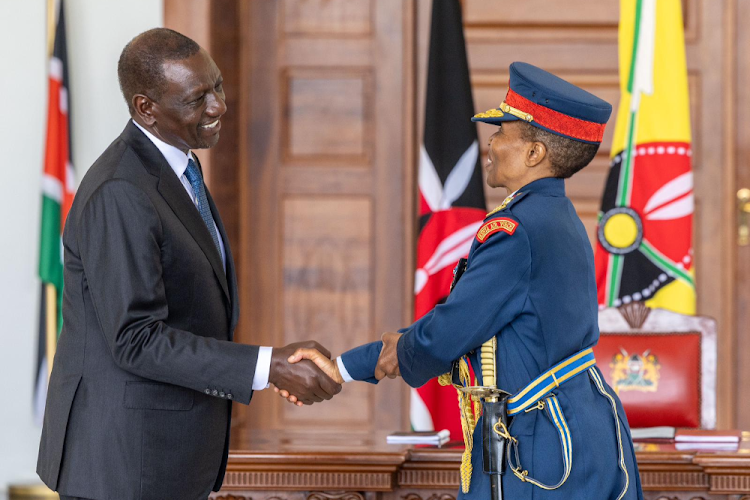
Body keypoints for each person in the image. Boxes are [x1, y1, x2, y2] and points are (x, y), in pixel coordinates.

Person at [284, 62, 644, 500]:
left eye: (501, 133)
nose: (490, 144)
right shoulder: (555, 216)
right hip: (574, 426)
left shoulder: (518, 231)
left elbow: (446, 334)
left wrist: (347, 366)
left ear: (534, 153)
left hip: (544, 444)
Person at [36, 28, 341, 500]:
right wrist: (267, 366)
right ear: (146, 109)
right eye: (197, 98)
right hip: (123, 469)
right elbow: (136, 339)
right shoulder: (121, 191)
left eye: (216, 86)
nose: (218, 106)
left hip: (162, 462)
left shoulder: (177, 165)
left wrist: (275, 361)